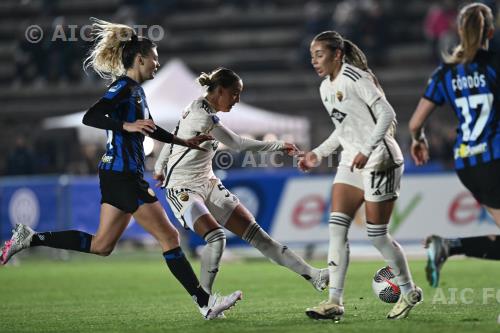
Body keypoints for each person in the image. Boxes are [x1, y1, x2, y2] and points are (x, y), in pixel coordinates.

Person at [0, 18, 241, 320]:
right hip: (123, 175)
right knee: (169, 236)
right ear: (140, 59)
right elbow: (92, 116)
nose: (157, 63)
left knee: (102, 245)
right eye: (154, 58)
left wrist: (184, 141)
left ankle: (30, 237)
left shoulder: (137, 92)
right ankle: (205, 303)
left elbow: (150, 129)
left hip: (118, 174)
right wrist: (125, 124)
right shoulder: (123, 88)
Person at [153, 67, 329, 298]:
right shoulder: (202, 115)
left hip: (208, 183)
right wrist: (279, 145)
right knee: (216, 238)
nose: (237, 99)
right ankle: (205, 300)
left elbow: (172, 136)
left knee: (259, 237)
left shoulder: (199, 107)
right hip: (182, 187)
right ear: (220, 90)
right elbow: (236, 143)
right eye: (235, 93)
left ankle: (313, 275)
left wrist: (158, 167)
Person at [299, 31, 422, 321]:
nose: (315, 61)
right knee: (336, 227)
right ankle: (334, 301)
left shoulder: (356, 78)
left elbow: (387, 114)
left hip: (381, 159)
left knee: (377, 235)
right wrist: (317, 153)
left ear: (337, 54)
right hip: (351, 160)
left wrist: (367, 149)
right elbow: (343, 129)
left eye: (319, 54)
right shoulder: (324, 88)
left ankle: (409, 291)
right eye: (312, 56)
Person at [409, 2, 500, 288]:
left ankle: (449, 246)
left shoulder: (445, 72)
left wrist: (417, 140)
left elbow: (414, 123)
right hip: (495, 159)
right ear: (491, 31)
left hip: (468, 165)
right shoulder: (495, 64)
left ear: (459, 30)